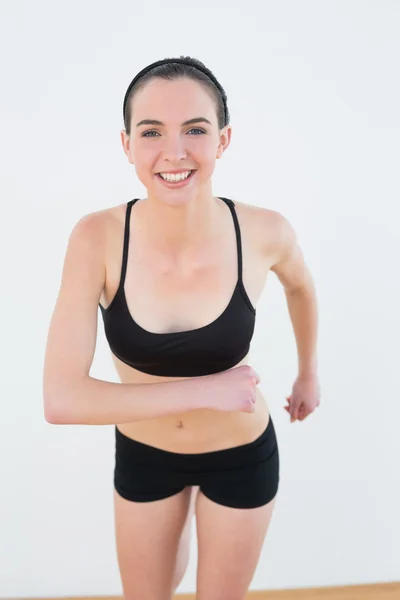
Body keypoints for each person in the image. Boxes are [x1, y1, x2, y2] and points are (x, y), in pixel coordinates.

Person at [43, 56, 321, 600]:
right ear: (127, 145)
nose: (174, 151)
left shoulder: (265, 231)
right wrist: (206, 390)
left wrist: (308, 374)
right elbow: (62, 400)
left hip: (241, 454)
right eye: (152, 132)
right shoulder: (96, 238)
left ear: (223, 140)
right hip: (145, 455)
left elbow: (302, 288)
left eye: (196, 129)